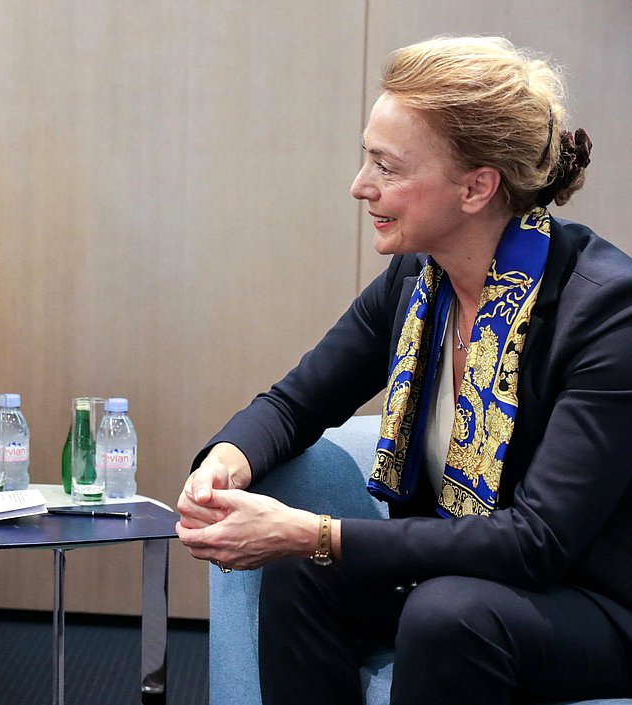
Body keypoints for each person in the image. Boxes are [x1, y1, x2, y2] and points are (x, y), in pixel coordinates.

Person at [178, 36, 632, 705]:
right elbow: (294, 402)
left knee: (445, 614)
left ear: (478, 186)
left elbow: (538, 543)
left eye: (385, 167)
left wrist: (316, 532)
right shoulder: (418, 281)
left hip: (592, 603)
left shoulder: (606, 311)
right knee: (301, 578)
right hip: (458, 582)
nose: (360, 185)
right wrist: (226, 461)